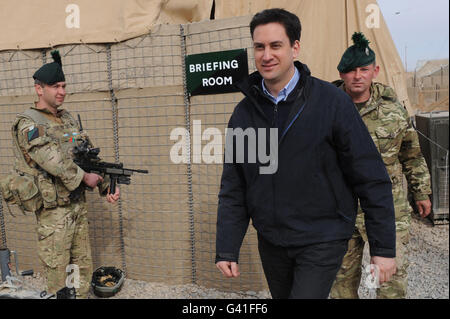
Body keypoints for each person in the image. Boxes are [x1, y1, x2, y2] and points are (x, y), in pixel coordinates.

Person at [215, 9, 397, 299]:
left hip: (322, 238)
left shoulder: (332, 102)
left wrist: (383, 249)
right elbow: (235, 185)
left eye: (276, 45)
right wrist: (227, 246)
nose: (266, 55)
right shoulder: (244, 114)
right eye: (259, 46)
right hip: (272, 241)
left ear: (295, 47)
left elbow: (371, 177)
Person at [330, 32, 432, 299]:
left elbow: (411, 155)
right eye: (351, 71)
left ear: (375, 71)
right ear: (341, 74)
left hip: (388, 210)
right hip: (341, 209)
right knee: (340, 281)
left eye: (364, 69)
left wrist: (421, 192)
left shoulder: (394, 110)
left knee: (387, 279)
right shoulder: (327, 109)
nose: (357, 76)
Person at [11, 51, 120, 298]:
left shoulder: (68, 119)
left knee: (80, 267)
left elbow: (87, 156)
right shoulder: (30, 123)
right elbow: (53, 161)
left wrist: (107, 186)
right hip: (54, 214)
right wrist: (85, 178)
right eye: (54, 86)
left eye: (63, 86)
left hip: (77, 207)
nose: (61, 91)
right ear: (39, 89)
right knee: (58, 273)